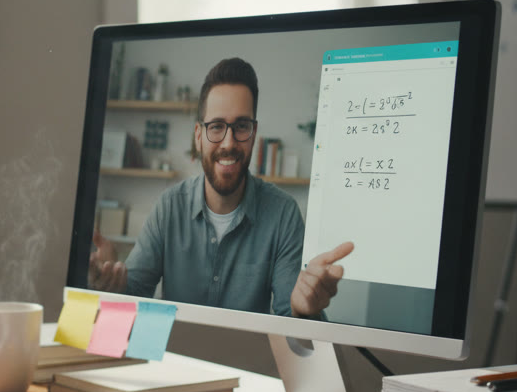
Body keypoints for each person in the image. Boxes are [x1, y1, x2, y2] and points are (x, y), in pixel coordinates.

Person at [89, 57, 351, 318]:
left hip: (244, 360)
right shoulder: (169, 206)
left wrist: (303, 310)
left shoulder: (283, 214)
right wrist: (113, 283)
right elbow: (135, 292)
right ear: (198, 135)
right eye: (216, 127)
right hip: (176, 356)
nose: (228, 142)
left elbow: (291, 319)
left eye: (241, 127)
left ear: (254, 132)